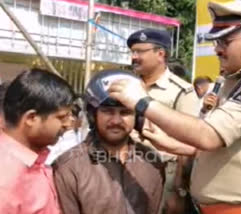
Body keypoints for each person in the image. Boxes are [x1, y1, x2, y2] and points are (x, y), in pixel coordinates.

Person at [109, 1, 241, 214]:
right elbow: (216, 149)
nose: (217, 49)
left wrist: (142, 102)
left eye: (225, 41)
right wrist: (169, 143)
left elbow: (209, 136)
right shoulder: (235, 81)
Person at [53, 70, 164, 214]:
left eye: (125, 112)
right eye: (108, 111)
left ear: (138, 118)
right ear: (93, 115)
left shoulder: (152, 162)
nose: (116, 120)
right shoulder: (68, 168)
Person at [127, 28, 199, 213]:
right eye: (132, 52)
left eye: (140, 52)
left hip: (165, 173)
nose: (134, 57)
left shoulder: (182, 91)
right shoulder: (127, 85)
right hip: (126, 169)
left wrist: (179, 191)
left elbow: (190, 144)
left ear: (160, 54)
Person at [0, 68, 75, 213]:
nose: (67, 124)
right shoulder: (6, 178)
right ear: (31, 118)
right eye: (61, 117)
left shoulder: (34, 163)